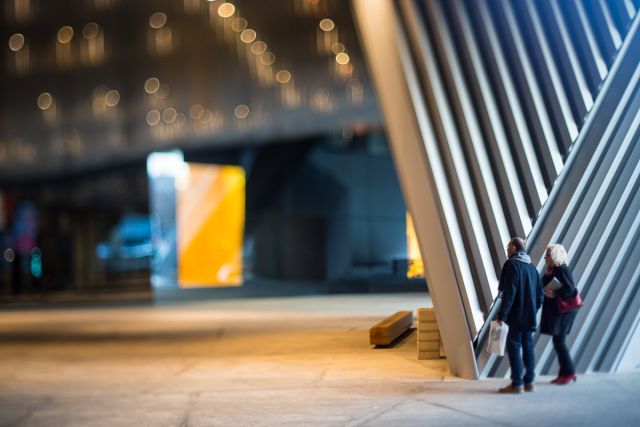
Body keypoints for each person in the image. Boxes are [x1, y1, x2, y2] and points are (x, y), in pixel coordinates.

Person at [496, 237, 543, 394]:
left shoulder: (512, 265)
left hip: (515, 316)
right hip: (529, 316)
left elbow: (509, 293)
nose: (507, 249)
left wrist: (502, 315)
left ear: (515, 248)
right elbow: (540, 296)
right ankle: (529, 382)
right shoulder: (532, 268)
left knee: (514, 346)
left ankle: (517, 384)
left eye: (508, 246)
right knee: (528, 346)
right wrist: (532, 309)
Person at [540, 243, 578, 385]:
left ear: (555, 255)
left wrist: (554, 293)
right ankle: (564, 373)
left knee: (559, 341)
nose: (545, 257)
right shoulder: (553, 270)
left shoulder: (562, 269)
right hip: (559, 311)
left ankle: (569, 372)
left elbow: (569, 290)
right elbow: (542, 285)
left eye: (548, 254)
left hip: (564, 312)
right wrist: (546, 277)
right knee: (558, 341)